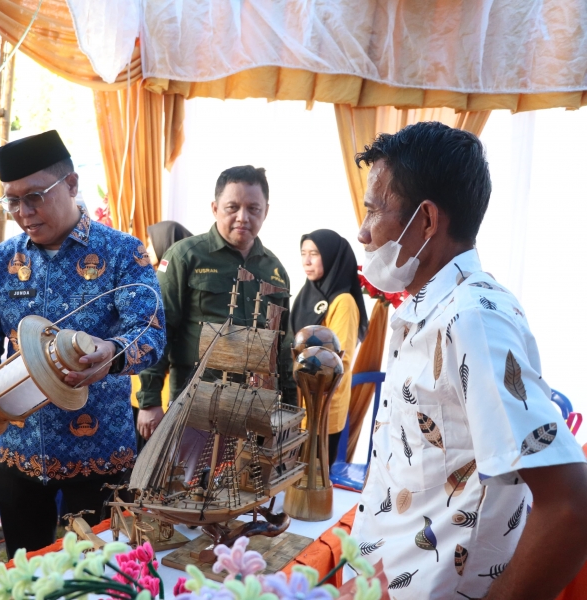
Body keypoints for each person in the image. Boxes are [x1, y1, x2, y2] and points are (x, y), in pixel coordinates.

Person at [349, 121, 587, 598]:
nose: (363, 232)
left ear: (426, 221)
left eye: (374, 210)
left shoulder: (472, 318)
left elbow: (570, 504)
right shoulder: (429, 313)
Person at [0, 130, 164, 557]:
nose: (23, 213)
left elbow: (150, 333)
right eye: (12, 201)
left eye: (34, 197)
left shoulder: (122, 252)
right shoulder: (6, 258)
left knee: (97, 573)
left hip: (100, 455)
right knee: (26, 573)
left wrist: (113, 354)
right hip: (19, 452)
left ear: (71, 184)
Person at [137, 166, 295, 442]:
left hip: (254, 411)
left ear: (266, 211)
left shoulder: (275, 270)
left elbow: (281, 346)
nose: (243, 217)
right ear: (215, 208)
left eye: (253, 209)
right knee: (188, 471)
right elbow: (158, 328)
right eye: (232, 207)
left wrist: (289, 407)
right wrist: (149, 401)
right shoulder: (186, 256)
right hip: (194, 406)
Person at [290, 229, 368, 465]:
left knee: (314, 477)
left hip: (323, 408)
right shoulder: (308, 294)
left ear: (332, 257)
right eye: (303, 253)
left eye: (314, 254)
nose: (306, 261)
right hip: (298, 404)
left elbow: (339, 359)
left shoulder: (343, 302)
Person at [130, 221, 193, 449]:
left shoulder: (175, 286)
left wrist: (150, 400)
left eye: (151, 242)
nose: (147, 248)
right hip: (143, 384)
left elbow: (163, 333)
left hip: (163, 387)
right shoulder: (153, 277)